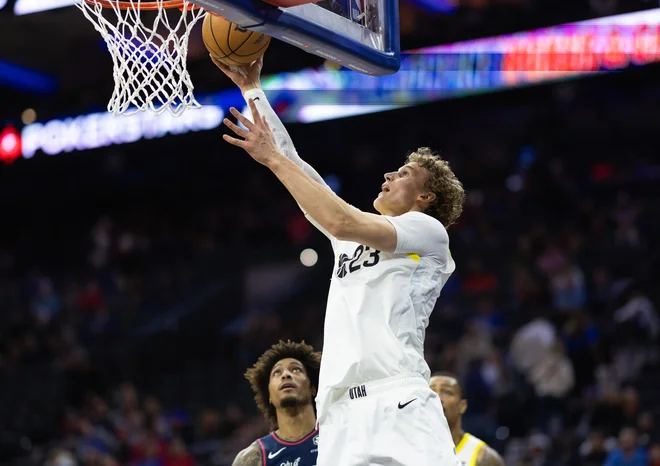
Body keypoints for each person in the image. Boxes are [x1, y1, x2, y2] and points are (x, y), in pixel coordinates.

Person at [214, 55, 465, 466]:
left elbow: (336, 217)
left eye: (403, 174)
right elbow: (297, 166)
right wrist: (252, 89)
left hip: (397, 400)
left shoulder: (427, 232)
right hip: (340, 416)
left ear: (426, 197)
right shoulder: (350, 236)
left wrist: (271, 160)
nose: (388, 176)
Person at [232, 340, 321, 466]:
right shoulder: (253, 458)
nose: (285, 375)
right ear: (269, 396)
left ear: (313, 388)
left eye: (296, 369)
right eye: (277, 372)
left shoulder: (337, 434)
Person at [430, 372, 505, 466]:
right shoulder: (410, 449)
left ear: (462, 406)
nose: (437, 397)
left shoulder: (483, 456)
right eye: (431, 391)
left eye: (447, 392)